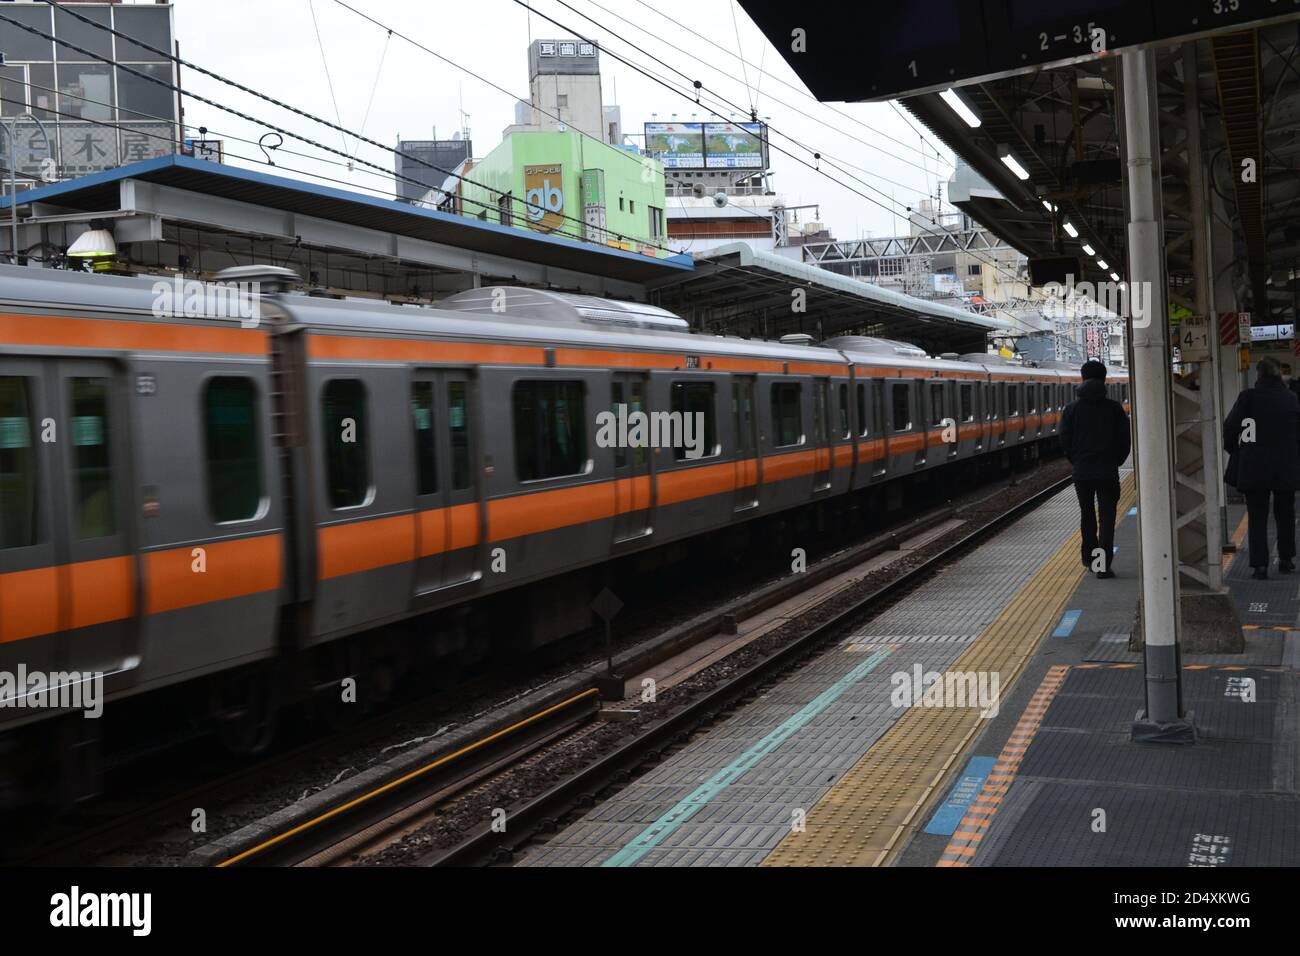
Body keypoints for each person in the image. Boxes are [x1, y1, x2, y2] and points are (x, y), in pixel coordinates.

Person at [1223, 357, 1300, 580]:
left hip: (1253, 466)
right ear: (1278, 375)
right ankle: (1286, 559)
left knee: (1257, 516)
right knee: (1285, 514)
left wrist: (1237, 451)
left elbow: (1230, 428)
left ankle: (1260, 566)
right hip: (1285, 466)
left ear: (1259, 375)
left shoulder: (1248, 398)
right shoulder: (1290, 399)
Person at [1060, 360, 1132, 579]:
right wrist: (1116, 461)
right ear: (1103, 379)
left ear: (1082, 378)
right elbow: (1124, 441)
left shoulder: (1071, 409)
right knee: (1107, 518)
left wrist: (1076, 461)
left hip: (1082, 473)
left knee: (1087, 515)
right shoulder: (1114, 408)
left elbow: (1064, 441)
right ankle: (1102, 565)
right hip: (1107, 471)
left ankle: (1089, 558)